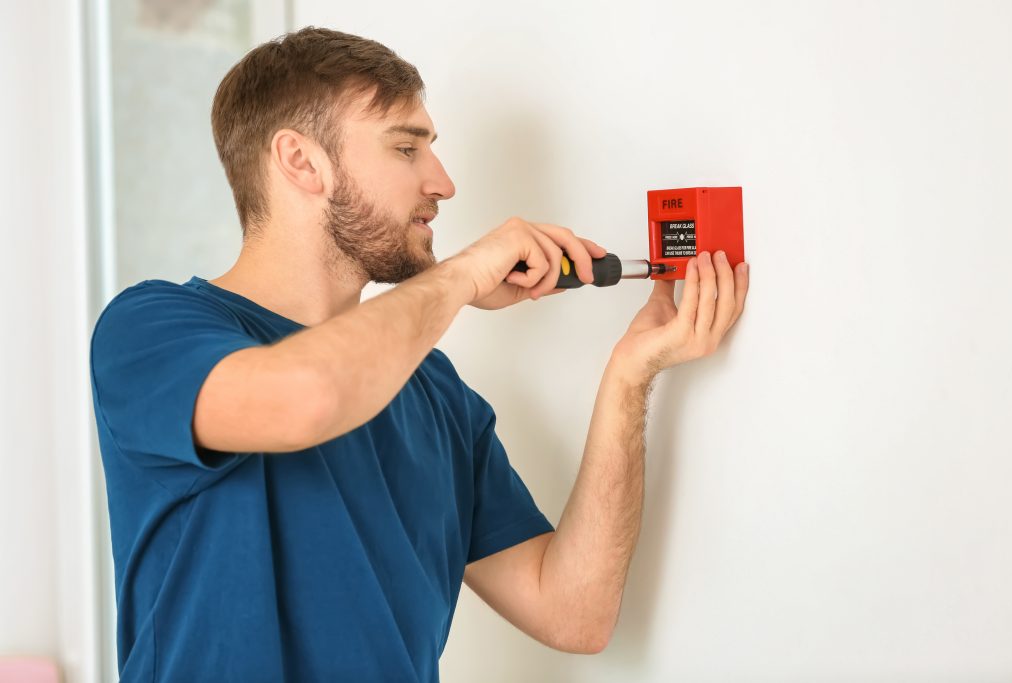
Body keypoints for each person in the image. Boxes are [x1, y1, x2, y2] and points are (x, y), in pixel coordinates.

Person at [89, 26, 749, 682]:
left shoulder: (434, 391)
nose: (443, 182)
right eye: (407, 148)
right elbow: (306, 397)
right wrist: (461, 276)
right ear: (300, 161)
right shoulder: (151, 331)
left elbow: (574, 612)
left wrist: (631, 373)